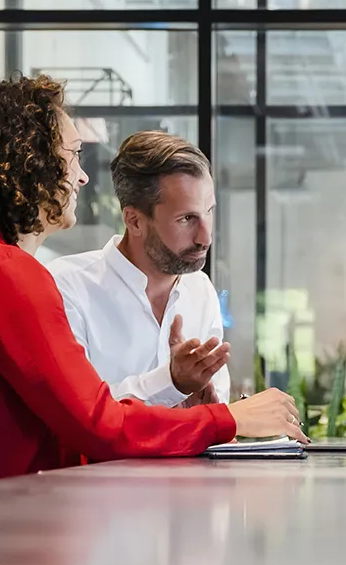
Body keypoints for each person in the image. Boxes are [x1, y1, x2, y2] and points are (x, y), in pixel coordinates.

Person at [0, 76, 306, 490]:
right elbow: (98, 424)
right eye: (73, 156)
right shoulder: (4, 272)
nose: (82, 178)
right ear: (30, 162)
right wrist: (228, 418)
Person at [47, 131, 230, 409]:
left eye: (209, 212)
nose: (205, 237)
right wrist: (171, 382)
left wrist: (205, 409)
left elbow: (216, 407)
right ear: (134, 221)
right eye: (187, 219)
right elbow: (76, 410)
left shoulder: (200, 289)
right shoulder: (66, 287)